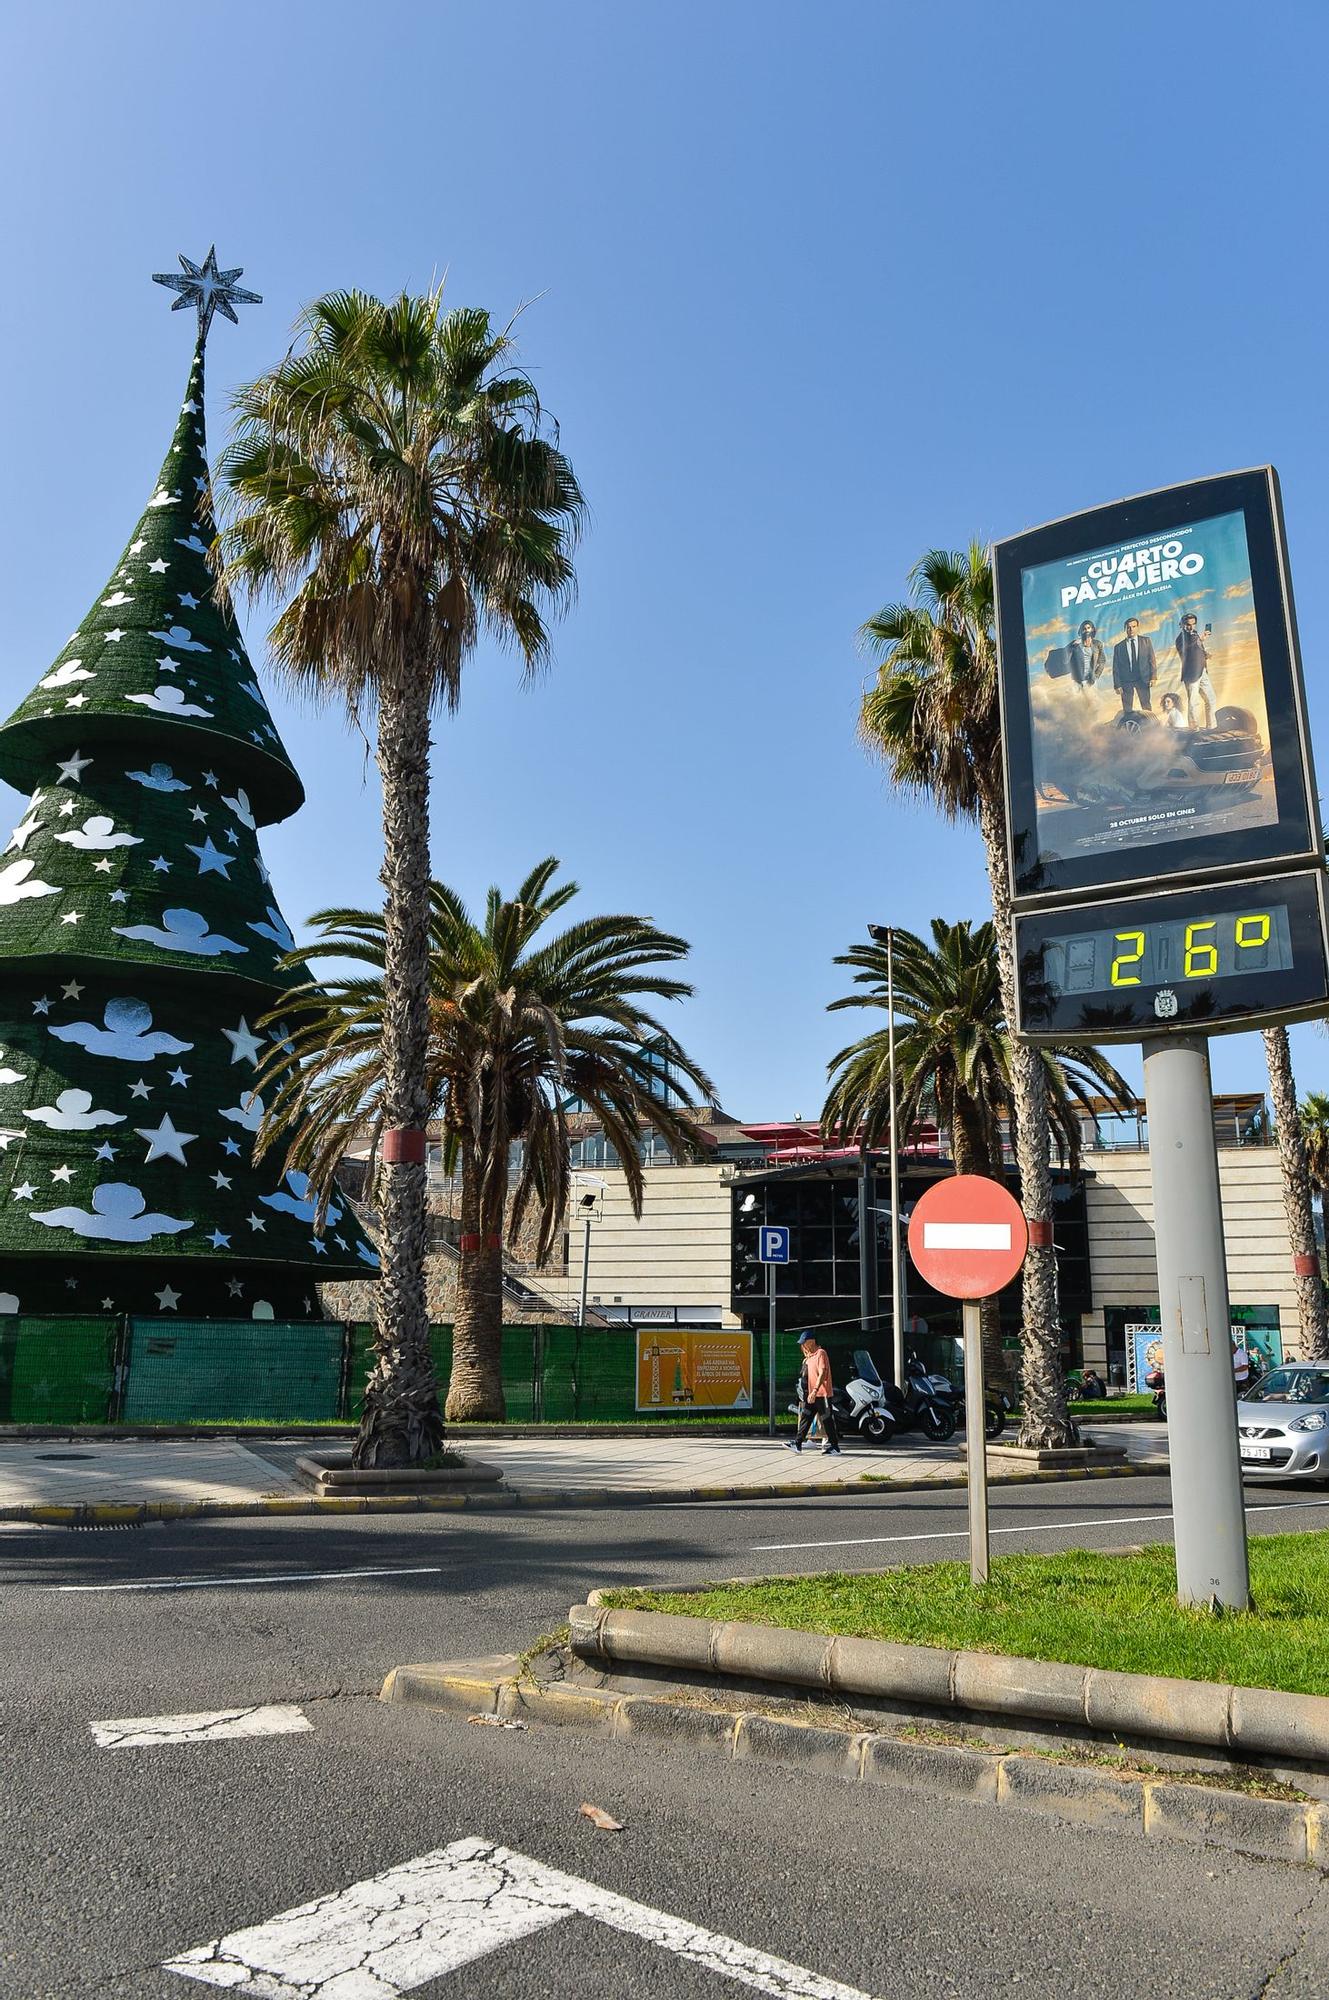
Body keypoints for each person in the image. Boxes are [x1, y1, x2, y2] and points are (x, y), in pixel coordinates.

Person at [785, 1330, 840, 1455]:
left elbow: (823, 1373)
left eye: (804, 1343)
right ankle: (797, 1444)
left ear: (811, 1341)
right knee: (805, 1418)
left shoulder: (821, 1353)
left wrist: (815, 1390)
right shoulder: (810, 1357)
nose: (803, 1345)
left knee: (827, 1421)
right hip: (812, 1396)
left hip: (822, 1394)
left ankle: (835, 1447)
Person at [1176, 613, 1217, 729]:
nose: (1191, 627)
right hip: (1191, 674)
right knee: (1194, 702)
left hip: (1202, 671)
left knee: (1211, 699)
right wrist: (1200, 639)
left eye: (1193, 624)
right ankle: (1194, 729)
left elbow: (1197, 650)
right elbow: (1187, 649)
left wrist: (1205, 655)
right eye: (1188, 625)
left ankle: (1212, 727)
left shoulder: (1195, 635)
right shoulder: (1180, 638)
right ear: (1183, 625)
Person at [1111, 617, 1156, 713]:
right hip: (1126, 681)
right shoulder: (1118, 647)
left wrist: (1153, 677)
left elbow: (1152, 660)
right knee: (1127, 710)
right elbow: (1116, 667)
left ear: (1138, 627)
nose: (1131, 629)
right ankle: (1129, 726)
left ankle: (1150, 727)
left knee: (1146, 706)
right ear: (1125, 629)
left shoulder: (1146, 641)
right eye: (1128, 627)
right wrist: (1117, 685)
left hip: (1143, 679)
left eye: (1133, 626)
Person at [1068, 619, 1107, 695]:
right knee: (1078, 704)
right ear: (1081, 631)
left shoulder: (1097, 644)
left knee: (1092, 704)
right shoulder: (1076, 644)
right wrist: (1072, 646)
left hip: (1091, 680)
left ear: (1092, 629)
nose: (1086, 630)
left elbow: (1102, 661)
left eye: (1088, 628)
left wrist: (1096, 676)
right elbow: (1066, 660)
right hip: (1077, 680)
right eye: (1084, 629)